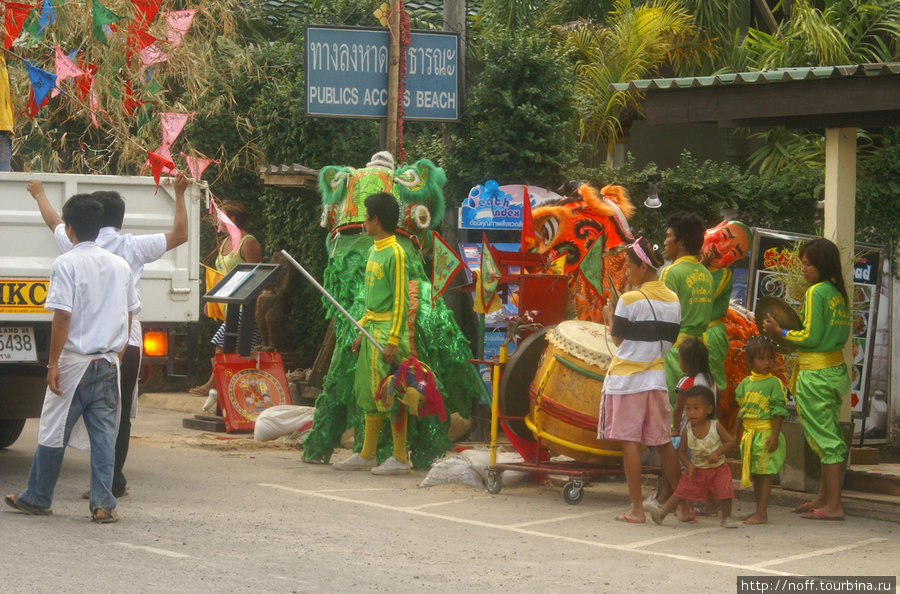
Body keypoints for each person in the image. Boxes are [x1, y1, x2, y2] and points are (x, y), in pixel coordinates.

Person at [28, 174, 190, 499]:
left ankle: (41, 491)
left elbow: (54, 222)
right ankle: (112, 483)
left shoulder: (72, 248)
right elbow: (180, 235)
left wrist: (39, 194)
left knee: (60, 419)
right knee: (116, 416)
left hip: (79, 352)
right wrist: (180, 193)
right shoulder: (131, 248)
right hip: (123, 346)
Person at [5, 194, 139, 523]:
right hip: (108, 363)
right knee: (104, 436)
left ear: (69, 228)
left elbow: (61, 317)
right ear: (99, 227)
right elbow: (130, 312)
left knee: (53, 432)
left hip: (74, 364)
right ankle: (103, 504)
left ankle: (37, 497)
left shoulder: (65, 264)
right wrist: (117, 353)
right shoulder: (119, 265)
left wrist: (52, 364)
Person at [763, 237, 851, 521]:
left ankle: (833, 505)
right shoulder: (838, 293)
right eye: (802, 263)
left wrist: (781, 333)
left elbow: (810, 337)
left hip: (816, 375)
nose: (803, 268)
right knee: (830, 435)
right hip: (834, 371)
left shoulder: (816, 293)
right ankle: (825, 498)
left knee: (826, 441)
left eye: (808, 263)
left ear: (821, 265)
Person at [599, 237, 682, 524]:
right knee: (662, 443)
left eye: (630, 266)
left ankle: (636, 509)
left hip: (627, 381)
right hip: (656, 378)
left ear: (643, 268)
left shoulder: (630, 300)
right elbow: (670, 341)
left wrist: (610, 315)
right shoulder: (674, 300)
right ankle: (684, 507)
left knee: (630, 442)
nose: (626, 273)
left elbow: (619, 339)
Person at [333, 192, 412, 475]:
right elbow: (370, 301)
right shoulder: (373, 249)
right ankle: (367, 454)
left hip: (387, 336)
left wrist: (392, 340)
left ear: (375, 220)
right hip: (370, 332)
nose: (362, 222)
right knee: (369, 392)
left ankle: (401, 458)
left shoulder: (396, 252)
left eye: (365, 216)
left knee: (391, 393)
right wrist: (361, 330)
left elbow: (402, 301)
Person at [190, 200, 262, 396]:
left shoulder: (248, 242)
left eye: (220, 218)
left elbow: (257, 278)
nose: (217, 223)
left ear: (233, 218)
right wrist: (211, 301)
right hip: (226, 307)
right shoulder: (224, 242)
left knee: (221, 343)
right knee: (230, 348)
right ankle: (224, 386)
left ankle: (212, 384)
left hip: (243, 307)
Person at [646, 386, 739, 528]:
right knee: (680, 491)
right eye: (688, 409)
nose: (691, 413)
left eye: (696, 408)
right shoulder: (686, 430)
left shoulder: (715, 426)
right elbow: (681, 452)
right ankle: (662, 513)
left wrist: (717, 453)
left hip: (717, 468)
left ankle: (727, 518)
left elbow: (731, 442)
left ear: (708, 409)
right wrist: (688, 464)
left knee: (724, 492)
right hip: (697, 469)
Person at [660, 212, 713, 413]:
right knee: (694, 411)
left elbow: (663, 318)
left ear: (680, 242)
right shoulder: (706, 274)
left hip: (676, 352)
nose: (665, 242)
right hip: (699, 350)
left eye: (668, 236)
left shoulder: (671, 272)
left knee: (673, 409)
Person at [734, 336, 787, 525]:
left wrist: (774, 435)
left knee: (765, 475)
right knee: (756, 474)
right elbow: (741, 411)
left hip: (765, 435)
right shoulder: (745, 384)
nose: (767, 362)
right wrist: (735, 436)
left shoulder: (774, 383)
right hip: (749, 436)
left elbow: (779, 412)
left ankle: (762, 512)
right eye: (761, 358)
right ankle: (758, 510)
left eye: (770, 358)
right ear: (750, 361)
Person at [700, 220, 752, 395]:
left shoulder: (722, 275)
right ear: (715, 226)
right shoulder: (684, 258)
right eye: (723, 236)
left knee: (709, 390)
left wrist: (700, 266)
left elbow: (694, 296)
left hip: (708, 337)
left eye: (733, 252)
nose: (722, 248)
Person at [671, 337, 715, 437]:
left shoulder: (686, 381)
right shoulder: (711, 380)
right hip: (709, 430)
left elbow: (678, 408)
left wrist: (676, 429)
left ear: (687, 362)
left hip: (689, 432)